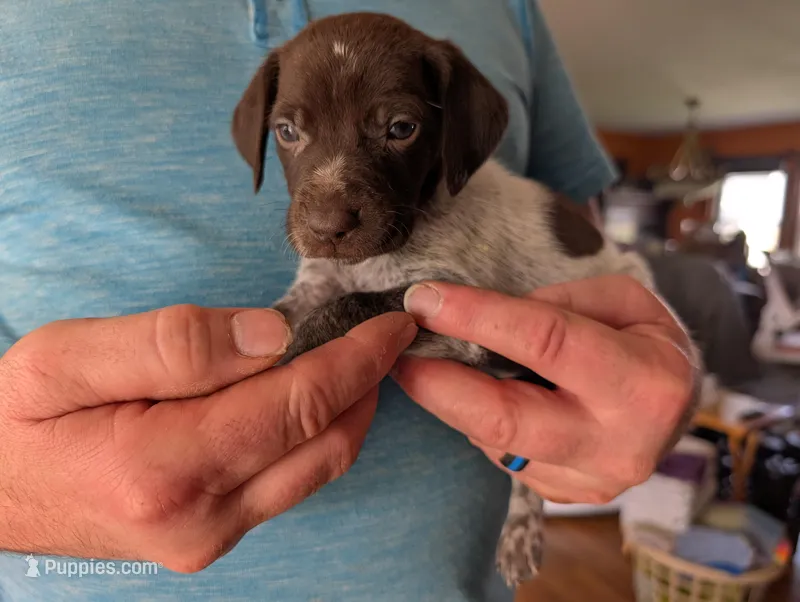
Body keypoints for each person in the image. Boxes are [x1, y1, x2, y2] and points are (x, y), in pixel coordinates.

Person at [0, 1, 697, 600]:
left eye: (398, 129)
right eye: (291, 133)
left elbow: (570, 280)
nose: (329, 211)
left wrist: (665, 370)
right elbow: (313, 299)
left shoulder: (501, 14)